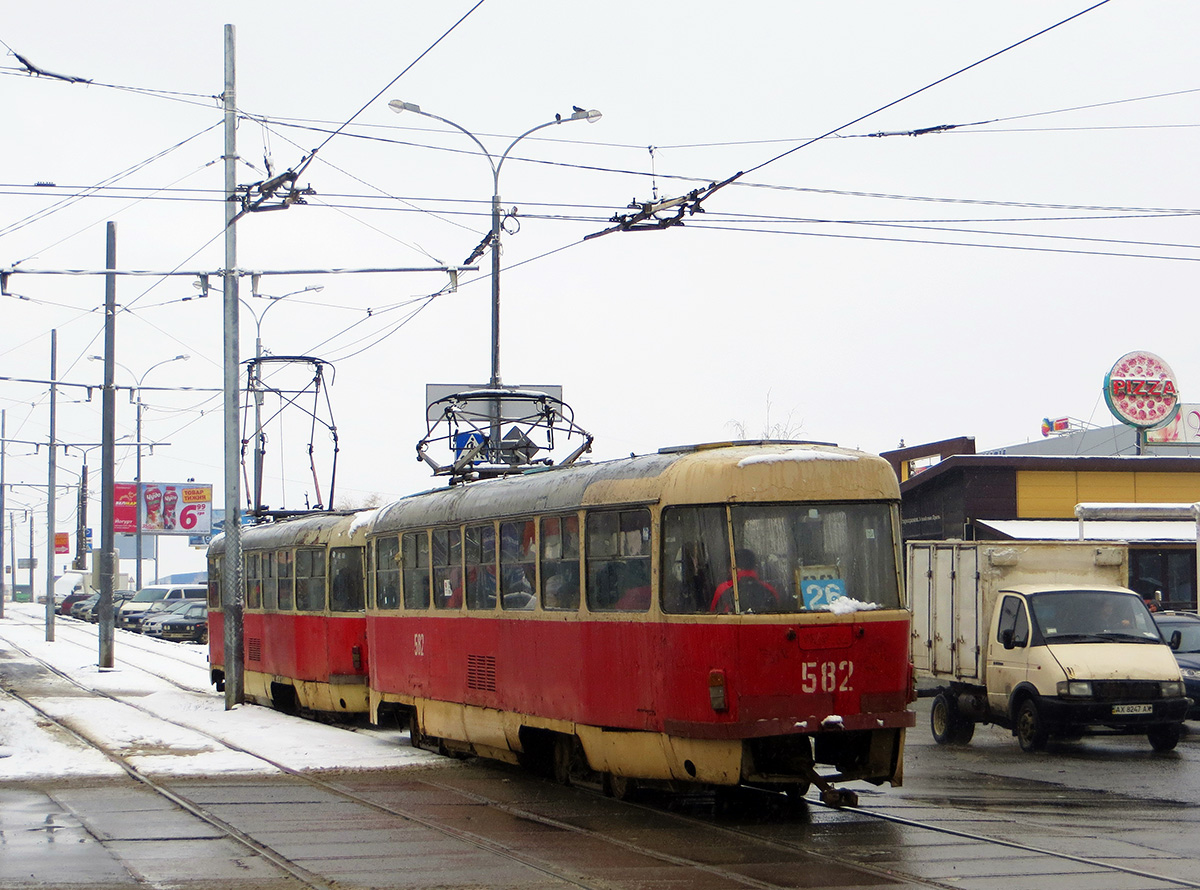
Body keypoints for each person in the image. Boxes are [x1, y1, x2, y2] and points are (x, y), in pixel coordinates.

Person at [710, 548, 781, 613]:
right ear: (754, 566)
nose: (729, 571)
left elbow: (713, 616)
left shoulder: (723, 589)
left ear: (735, 567)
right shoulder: (770, 589)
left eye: (730, 567)